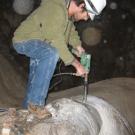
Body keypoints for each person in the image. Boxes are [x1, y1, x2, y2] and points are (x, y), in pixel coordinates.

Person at [12, 0, 106, 119]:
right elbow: (56, 40)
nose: (86, 19)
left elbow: (71, 32)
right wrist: (77, 64)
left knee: (37, 77)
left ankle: (27, 109)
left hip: (40, 44)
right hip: (25, 40)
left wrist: (78, 47)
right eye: (87, 15)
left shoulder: (67, 16)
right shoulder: (55, 7)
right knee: (51, 53)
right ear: (82, 6)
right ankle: (35, 105)